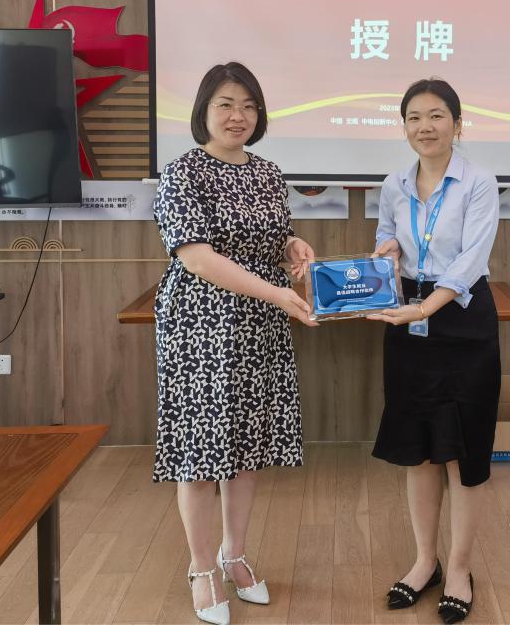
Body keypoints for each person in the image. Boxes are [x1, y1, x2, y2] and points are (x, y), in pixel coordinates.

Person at [152, 62, 317, 625]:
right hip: (200, 326)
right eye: (225, 103)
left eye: (248, 105)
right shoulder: (182, 172)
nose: (237, 115)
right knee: (200, 453)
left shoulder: (268, 173)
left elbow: (271, 240)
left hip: (259, 325)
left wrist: (292, 247)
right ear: (204, 109)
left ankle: (235, 554)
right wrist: (275, 291)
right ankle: (202, 569)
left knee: (247, 448)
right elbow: (197, 257)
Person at [368, 78, 501, 624]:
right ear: (404, 127)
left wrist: (425, 308)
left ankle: (461, 569)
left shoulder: (479, 181)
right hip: (408, 321)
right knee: (419, 448)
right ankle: (426, 561)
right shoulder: (394, 183)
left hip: (462, 320)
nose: (425, 127)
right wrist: (387, 253)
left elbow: (472, 258)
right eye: (414, 118)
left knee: (464, 453)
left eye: (437, 115)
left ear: (457, 124)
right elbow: (385, 237)